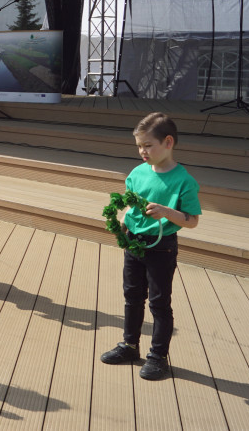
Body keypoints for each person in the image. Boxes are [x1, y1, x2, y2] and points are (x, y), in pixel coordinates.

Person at [100, 112, 201, 381]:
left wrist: (167, 211)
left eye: (148, 145)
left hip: (161, 247)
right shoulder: (137, 172)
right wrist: (122, 220)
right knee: (132, 296)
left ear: (168, 142)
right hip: (133, 242)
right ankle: (130, 346)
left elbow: (192, 221)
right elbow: (131, 204)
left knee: (159, 304)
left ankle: (158, 357)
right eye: (139, 146)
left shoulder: (183, 181)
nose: (142, 151)